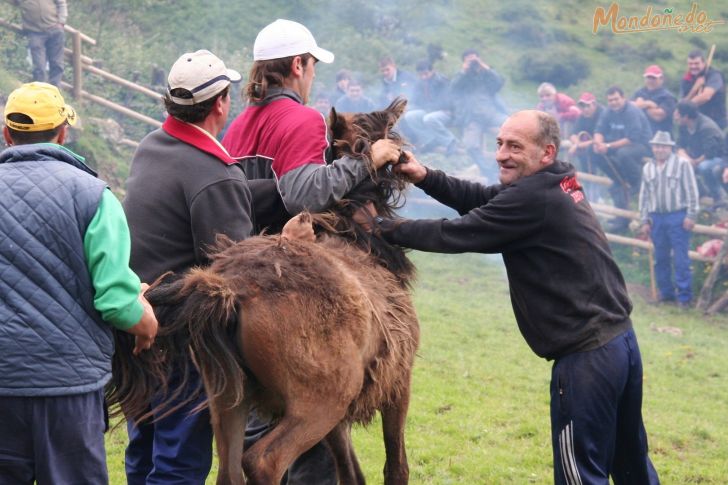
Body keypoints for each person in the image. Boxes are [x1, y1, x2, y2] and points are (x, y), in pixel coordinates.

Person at [371, 110, 660, 485]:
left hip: (587, 359)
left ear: (546, 152)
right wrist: (426, 177)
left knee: (579, 476)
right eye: (499, 143)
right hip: (619, 344)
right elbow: (484, 199)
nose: (501, 154)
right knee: (630, 465)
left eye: (515, 146)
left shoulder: (534, 199)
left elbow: (459, 233)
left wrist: (383, 228)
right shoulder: (555, 183)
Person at [221, 19, 401, 484]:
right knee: (306, 438)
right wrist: (365, 160)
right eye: (313, 66)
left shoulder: (238, 125)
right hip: (290, 280)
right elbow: (304, 194)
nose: (313, 76)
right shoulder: (300, 119)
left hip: (241, 281)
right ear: (298, 65)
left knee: (257, 422)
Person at [0, 82, 158, 483]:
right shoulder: (93, 196)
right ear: (63, 133)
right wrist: (146, 323)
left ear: (7, 134)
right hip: (68, 388)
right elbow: (116, 302)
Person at [122, 50, 254, 485]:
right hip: (182, 337)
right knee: (178, 460)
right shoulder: (216, 173)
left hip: (137, 322)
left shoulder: (150, 147)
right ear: (221, 103)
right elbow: (235, 272)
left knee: (143, 449)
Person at [638, 131, 699, 307]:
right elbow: (644, 196)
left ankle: (684, 297)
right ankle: (666, 294)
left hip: (677, 216)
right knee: (660, 257)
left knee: (681, 258)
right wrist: (644, 220)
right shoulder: (648, 168)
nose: (660, 149)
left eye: (664, 146)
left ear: (670, 148)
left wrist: (691, 215)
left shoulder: (682, 165)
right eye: (657, 146)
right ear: (653, 147)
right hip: (656, 218)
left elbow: (692, 191)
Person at [592, 85, 652, 231]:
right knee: (594, 152)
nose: (614, 102)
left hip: (641, 144)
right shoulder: (608, 112)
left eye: (616, 99)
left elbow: (633, 138)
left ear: (623, 98)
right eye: (610, 100)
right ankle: (619, 179)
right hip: (618, 145)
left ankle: (636, 182)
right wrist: (599, 143)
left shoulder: (632, 112)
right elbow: (599, 130)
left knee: (623, 154)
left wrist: (608, 146)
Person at [450, 48, 509, 176]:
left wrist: (484, 67)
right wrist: (463, 71)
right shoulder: (462, 76)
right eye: (469, 59)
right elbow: (453, 88)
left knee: (511, 129)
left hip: (492, 113)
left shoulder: (486, 73)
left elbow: (499, 82)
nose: (473, 62)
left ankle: (495, 167)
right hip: (472, 117)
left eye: (474, 59)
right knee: (470, 145)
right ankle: (487, 171)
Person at [674, 100, 727, 205]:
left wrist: (695, 162)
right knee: (679, 163)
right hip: (695, 157)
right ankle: (699, 193)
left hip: (718, 158)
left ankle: (718, 196)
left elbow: (710, 153)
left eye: (678, 113)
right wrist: (687, 159)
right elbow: (679, 145)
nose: (675, 116)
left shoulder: (706, 128)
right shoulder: (683, 126)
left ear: (686, 116)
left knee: (704, 167)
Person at [402, 58, 459, 154]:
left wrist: (428, 107)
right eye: (421, 75)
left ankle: (451, 141)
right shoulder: (420, 83)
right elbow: (416, 100)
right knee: (410, 116)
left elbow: (446, 101)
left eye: (426, 74)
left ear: (432, 71)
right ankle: (431, 140)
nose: (423, 77)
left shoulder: (442, 81)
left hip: (447, 111)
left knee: (428, 118)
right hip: (429, 110)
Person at [11, 0, 67, 86]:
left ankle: (54, 91)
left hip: (55, 29)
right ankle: (39, 90)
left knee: (57, 63)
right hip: (34, 32)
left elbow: (61, 3)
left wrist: (61, 22)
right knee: (39, 66)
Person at [567, 92, 605, 200]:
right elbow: (573, 134)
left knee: (594, 173)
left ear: (594, 104)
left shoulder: (603, 114)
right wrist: (577, 144)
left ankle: (597, 197)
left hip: (602, 148)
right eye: (583, 106)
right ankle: (591, 197)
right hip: (587, 150)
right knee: (586, 170)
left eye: (588, 106)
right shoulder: (582, 116)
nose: (585, 109)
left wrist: (579, 145)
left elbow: (600, 137)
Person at [680, 49, 727, 129]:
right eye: (690, 64)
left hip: (716, 123)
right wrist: (694, 89)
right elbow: (683, 100)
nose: (693, 66)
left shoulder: (714, 75)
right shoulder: (687, 78)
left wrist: (685, 107)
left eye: (696, 63)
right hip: (695, 123)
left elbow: (706, 96)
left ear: (704, 63)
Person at [632, 64, 677, 134]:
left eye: (653, 78)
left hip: (661, 137)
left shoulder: (668, 97)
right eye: (648, 78)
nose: (650, 80)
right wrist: (649, 104)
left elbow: (658, 116)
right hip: (642, 136)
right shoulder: (639, 92)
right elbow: (628, 106)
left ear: (661, 79)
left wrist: (642, 105)